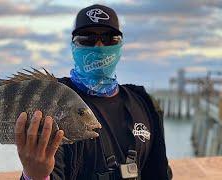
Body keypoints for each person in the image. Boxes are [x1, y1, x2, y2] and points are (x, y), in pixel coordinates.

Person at [15, 4, 172, 180]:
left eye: (109, 38)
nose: (99, 46)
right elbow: (50, 172)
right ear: (73, 45)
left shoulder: (145, 104)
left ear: (120, 44)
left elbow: (158, 173)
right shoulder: (52, 100)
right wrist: (35, 175)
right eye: (87, 38)